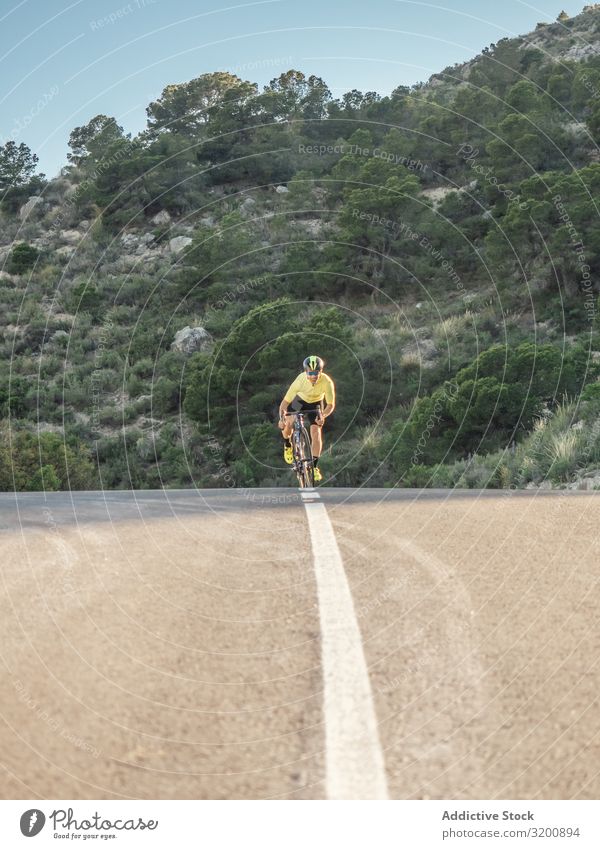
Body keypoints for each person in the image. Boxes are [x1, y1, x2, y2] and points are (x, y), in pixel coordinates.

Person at [278, 355, 335, 483]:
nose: (313, 376)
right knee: (289, 423)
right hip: (300, 400)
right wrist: (282, 418)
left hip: (316, 403)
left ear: (321, 371)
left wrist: (323, 416)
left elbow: (330, 405)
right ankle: (287, 444)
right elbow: (285, 403)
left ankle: (314, 467)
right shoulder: (299, 381)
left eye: (316, 373)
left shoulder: (327, 382)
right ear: (305, 372)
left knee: (316, 433)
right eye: (311, 373)